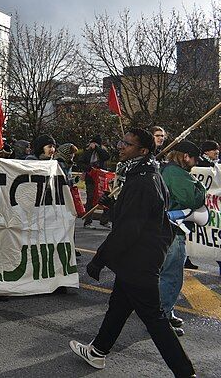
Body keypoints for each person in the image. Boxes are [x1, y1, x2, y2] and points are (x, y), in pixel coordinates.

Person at [70, 128, 194, 377]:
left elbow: (129, 229)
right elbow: (138, 217)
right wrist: (113, 206)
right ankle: (97, 352)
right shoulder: (143, 175)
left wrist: (99, 259)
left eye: (126, 144)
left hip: (140, 260)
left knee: (155, 319)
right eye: (120, 141)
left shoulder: (143, 181)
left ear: (143, 151)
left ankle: (185, 373)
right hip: (137, 258)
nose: (120, 147)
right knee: (118, 306)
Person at [159, 141, 206, 337]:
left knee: (164, 273)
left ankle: (163, 313)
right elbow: (192, 200)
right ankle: (162, 317)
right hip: (173, 230)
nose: (194, 164)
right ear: (185, 156)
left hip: (165, 229)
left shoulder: (167, 170)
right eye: (194, 159)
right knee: (171, 275)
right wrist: (200, 187)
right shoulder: (176, 173)